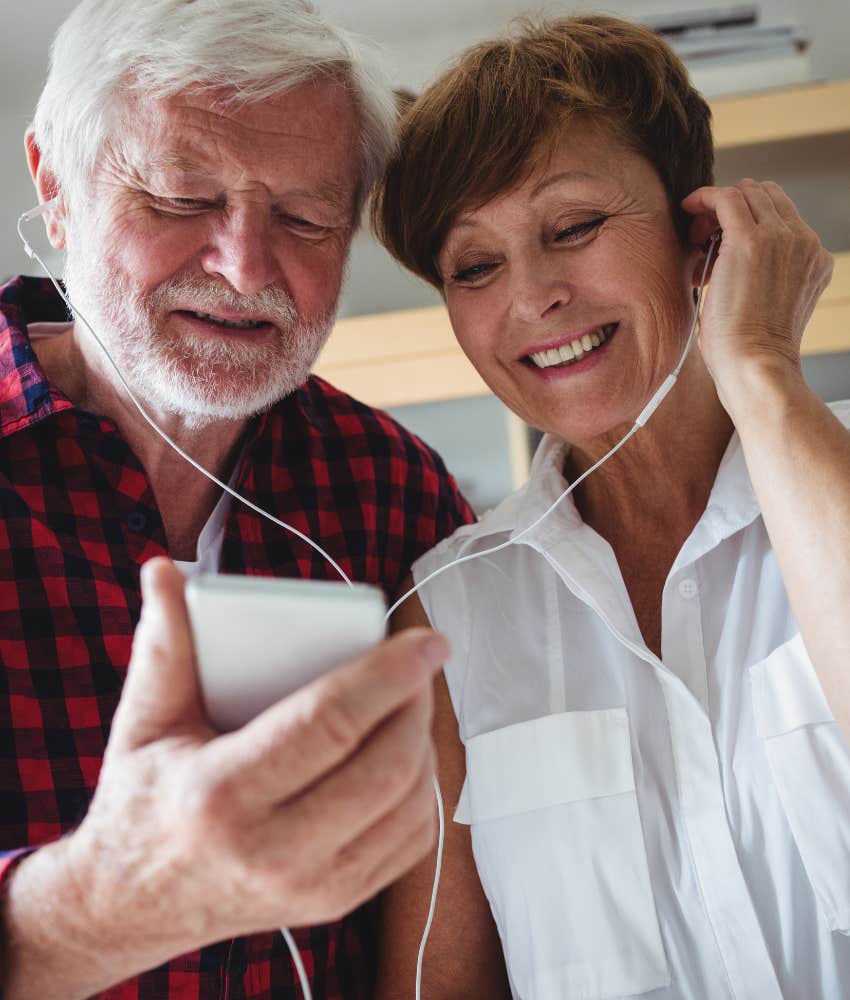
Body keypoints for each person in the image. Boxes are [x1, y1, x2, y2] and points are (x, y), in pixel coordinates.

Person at [0, 1, 475, 997]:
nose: (247, 268)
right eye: (180, 197)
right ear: (56, 187)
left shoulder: (395, 491)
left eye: (305, 219)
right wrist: (97, 908)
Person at [372, 14, 850, 999]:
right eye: (473, 266)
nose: (535, 294)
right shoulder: (446, 614)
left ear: (699, 233)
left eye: (575, 225)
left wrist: (759, 367)